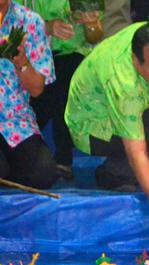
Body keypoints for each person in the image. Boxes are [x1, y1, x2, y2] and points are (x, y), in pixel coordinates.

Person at [65, 21, 149, 240]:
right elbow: (136, 151)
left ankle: (146, 166)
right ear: (136, 61)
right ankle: (115, 173)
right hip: (94, 128)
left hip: (133, 100)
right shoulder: (123, 83)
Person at [18, 0, 103, 180]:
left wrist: (91, 24)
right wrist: (47, 28)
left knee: (66, 74)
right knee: (51, 83)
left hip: (71, 57)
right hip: (28, 59)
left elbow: (95, 37)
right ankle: (43, 153)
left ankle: (62, 157)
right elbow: (10, 27)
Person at [0, 0, 57, 189]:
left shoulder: (29, 21)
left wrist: (22, 62)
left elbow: (37, 89)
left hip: (15, 121)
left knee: (43, 172)